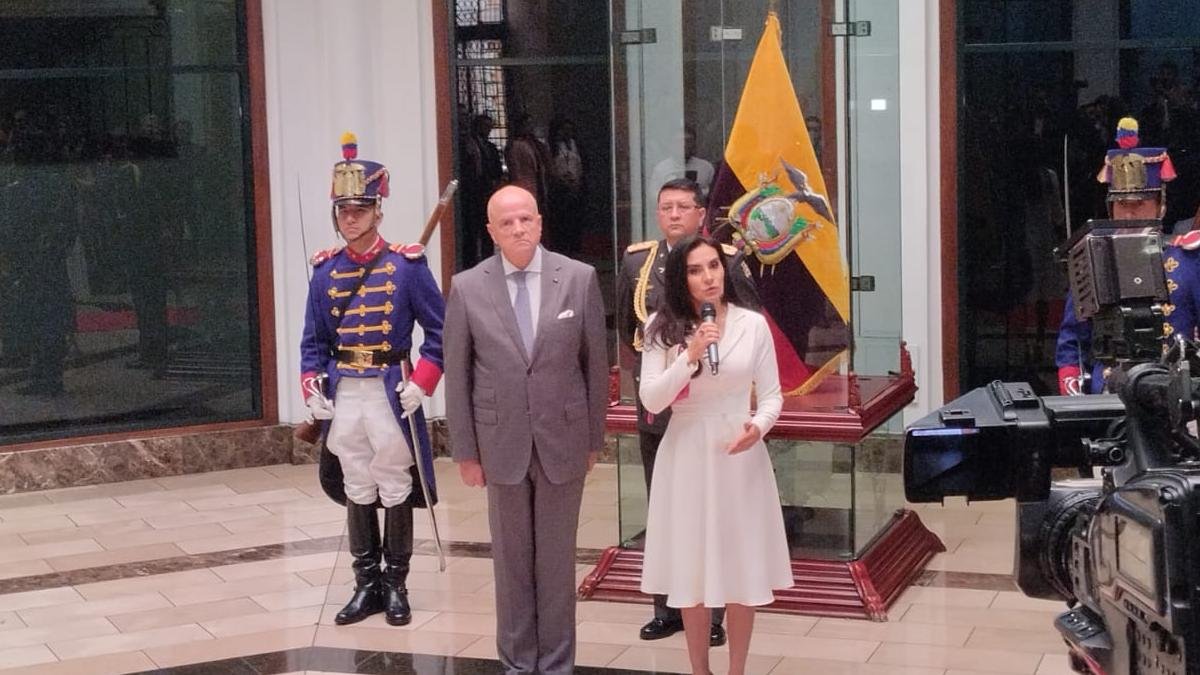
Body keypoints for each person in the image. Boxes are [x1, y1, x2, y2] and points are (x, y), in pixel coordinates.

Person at [443, 184, 608, 674]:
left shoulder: (578, 279)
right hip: (500, 446)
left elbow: (595, 366)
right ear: (491, 231)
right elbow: (460, 374)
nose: (518, 229)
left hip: (563, 441)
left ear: (540, 223)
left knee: (556, 564)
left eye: (526, 219)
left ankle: (556, 664)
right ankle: (517, 664)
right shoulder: (468, 287)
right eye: (506, 222)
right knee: (512, 565)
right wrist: (466, 452)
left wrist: (593, 439)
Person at [299, 132, 445, 627]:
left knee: (394, 482)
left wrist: (423, 383)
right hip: (346, 394)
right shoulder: (324, 271)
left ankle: (396, 585)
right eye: (343, 210)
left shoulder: (406, 267)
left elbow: (441, 334)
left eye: (361, 208)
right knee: (358, 481)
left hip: (389, 389)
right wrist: (313, 388)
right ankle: (366, 585)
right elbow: (313, 343)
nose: (351, 218)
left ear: (378, 210)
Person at [638, 235, 792, 675]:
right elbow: (651, 399)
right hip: (687, 452)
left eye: (713, 266)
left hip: (740, 453)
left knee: (742, 567)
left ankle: (737, 670)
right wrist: (688, 355)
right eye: (696, 270)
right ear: (681, 280)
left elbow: (773, 397)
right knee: (694, 570)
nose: (708, 277)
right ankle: (699, 669)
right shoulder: (661, 329)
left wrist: (757, 428)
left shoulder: (752, 324)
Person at [616, 178, 758, 646]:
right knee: (667, 510)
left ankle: (713, 614)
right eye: (665, 208)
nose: (674, 215)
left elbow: (750, 331)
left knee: (714, 514)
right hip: (660, 403)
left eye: (683, 208)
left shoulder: (726, 263)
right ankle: (668, 608)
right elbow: (626, 330)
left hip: (713, 410)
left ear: (701, 215)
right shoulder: (638, 261)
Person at [1056, 117, 1176, 395]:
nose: (1131, 213)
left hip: (1172, 390)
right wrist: (1077, 403)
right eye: (1122, 205)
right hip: (1109, 391)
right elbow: (1073, 343)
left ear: (1160, 205)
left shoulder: (1186, 258)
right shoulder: (1091, 261)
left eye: (1140, 204)